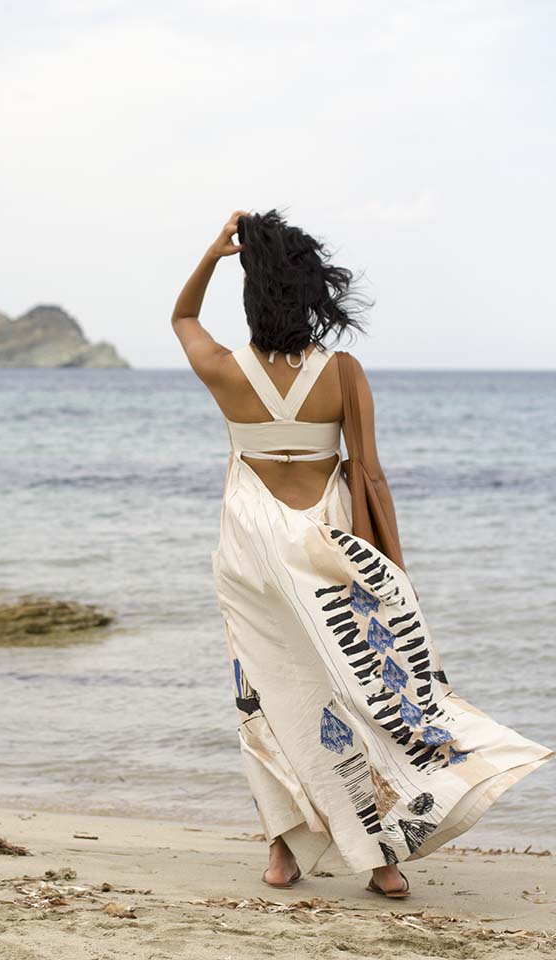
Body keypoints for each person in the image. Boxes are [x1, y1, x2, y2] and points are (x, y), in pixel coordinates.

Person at [170, 208, 553, 898]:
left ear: (252, 297)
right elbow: (369, 474)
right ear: (313, 293)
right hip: (328, 553)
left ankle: (283, 855)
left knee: (267, 697)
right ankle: (382, 860)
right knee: (356, 694)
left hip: (251, 556)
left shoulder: (223, 369)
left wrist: (214, 254)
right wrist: (394, 573)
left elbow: (182, 318)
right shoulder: (341, 372)